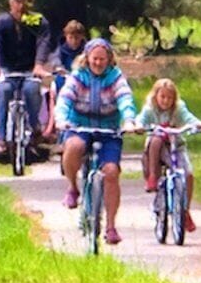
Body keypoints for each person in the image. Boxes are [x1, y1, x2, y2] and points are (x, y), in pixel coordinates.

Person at [54, 34, 139, 235]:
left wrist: (128, 120)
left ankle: (110, 226)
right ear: (87, 58)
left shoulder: (116, 77)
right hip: (79, 126)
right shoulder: (78, 75)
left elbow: (125, 99)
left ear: (109, 59)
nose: (98, 63)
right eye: (95, 59)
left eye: (102, 59)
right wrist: (61, 119)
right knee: (73, 147)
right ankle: (73, 188)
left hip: (108, 131)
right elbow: (65, 98)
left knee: (111, 172)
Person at [0, 0, 51, 153]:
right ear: (11, 2)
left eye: (25, 2)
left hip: (29, 70)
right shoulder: (1, 23)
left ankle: (35, 130)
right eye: (17, 2)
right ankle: (2, 138)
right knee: (4, 91)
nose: (21, 7)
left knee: (32, 90)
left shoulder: (39, 22)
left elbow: (43, 43)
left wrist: (39, 64)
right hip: (7, 69)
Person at [139, 75, 201, 202]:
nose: (166, 101)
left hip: (175, 146)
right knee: (156, 139)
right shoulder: (150, 109)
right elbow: (140, 119)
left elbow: (188, 118)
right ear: (155, 96)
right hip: (155, 150)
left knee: (188, 174)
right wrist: (138, 126)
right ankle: (153, 175)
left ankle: (185, 211)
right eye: (162, 97)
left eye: (170, 98)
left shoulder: (178, 109)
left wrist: (197, 124)